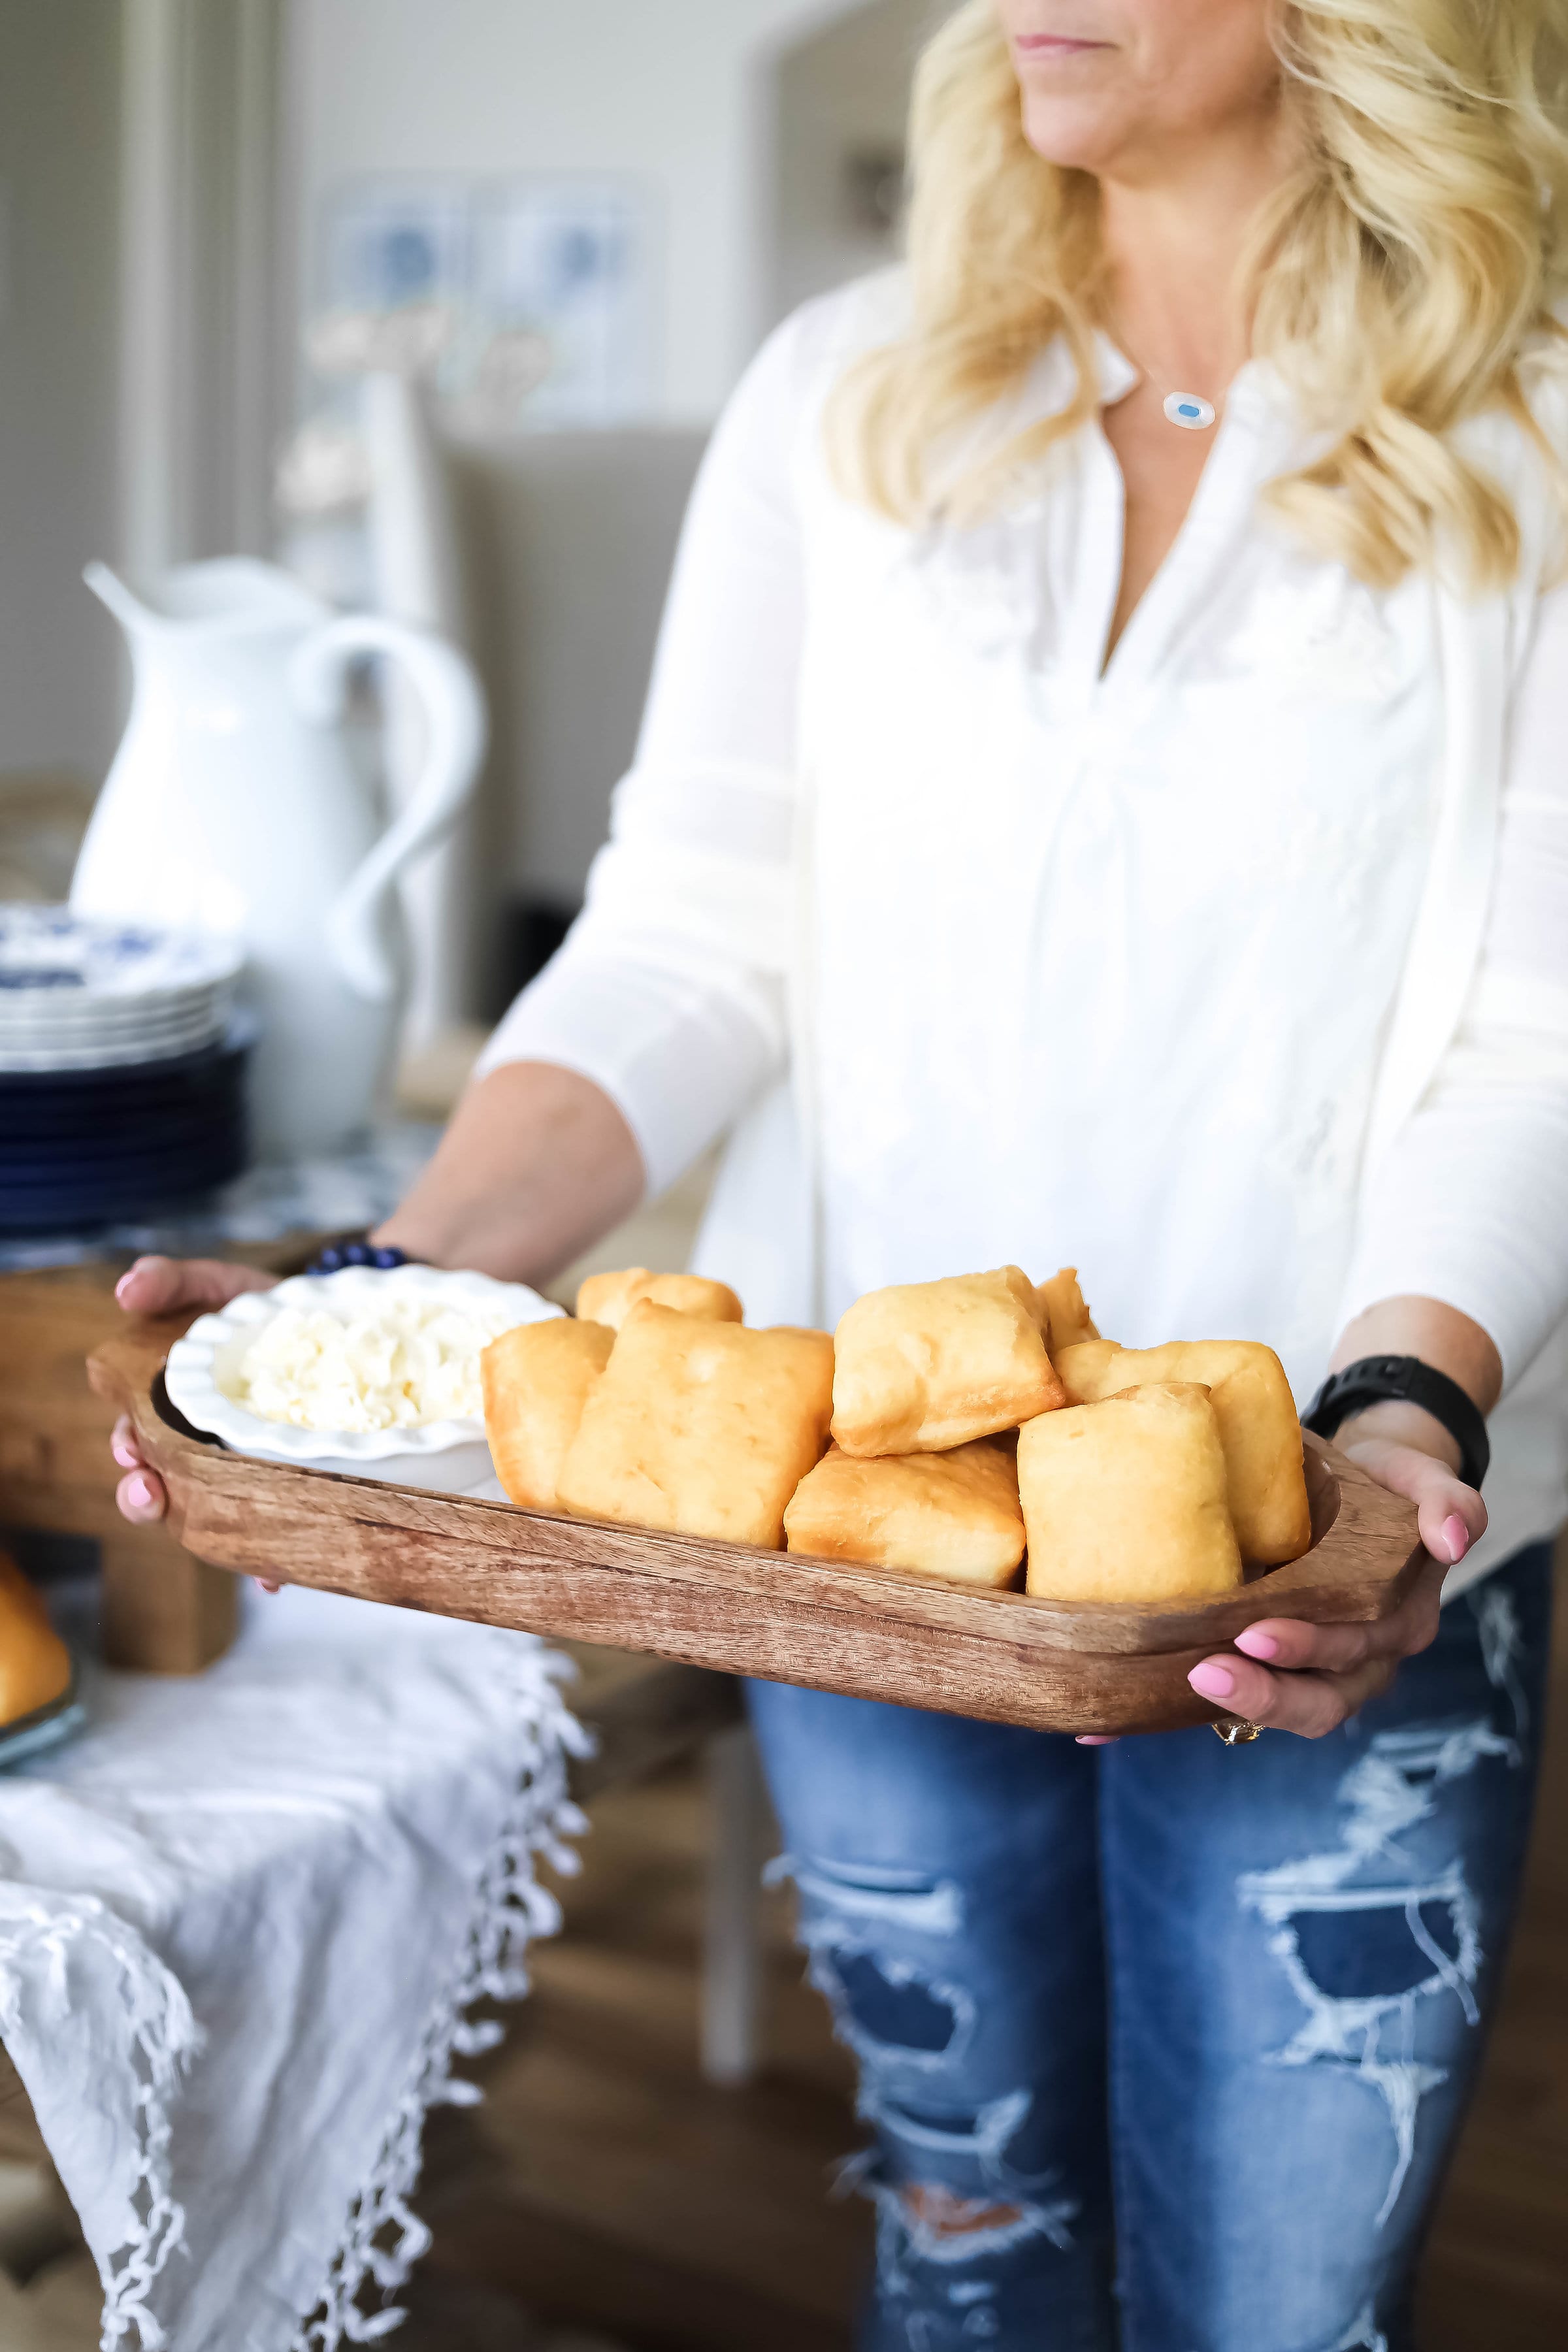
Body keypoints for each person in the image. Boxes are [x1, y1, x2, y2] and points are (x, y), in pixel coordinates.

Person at [113, 3, 1568, 2344]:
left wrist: (1402, 1428)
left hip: (1340, 1550)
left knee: (1286, 2316)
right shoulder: (854, 395)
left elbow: (1540, 1031)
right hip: (853, 1537)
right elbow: (694, 933)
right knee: (962, 2231)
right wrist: (373, 1290)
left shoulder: (1537, 433)